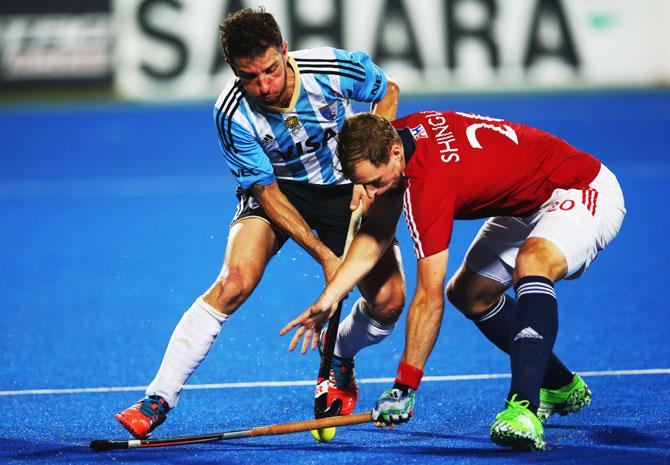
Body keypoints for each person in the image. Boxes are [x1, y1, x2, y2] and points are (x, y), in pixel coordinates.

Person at [114, 8, 406, 439]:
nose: (265, 86)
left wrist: (370, 172)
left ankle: (340, 354)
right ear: (233, 69)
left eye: (271, 70)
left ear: (285, 51)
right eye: (250, 77)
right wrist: (327, 257)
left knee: (389, 300)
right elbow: (268, 194)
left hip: (343, 189)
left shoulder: (331, 68)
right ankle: (158, 397)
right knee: (234, 281)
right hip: (280, 192)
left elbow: (388, 91)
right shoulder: (231, 114)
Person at [280, 110, 625, 450]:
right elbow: (376, 233)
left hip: (580, 190)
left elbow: (428, 297)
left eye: (374, 183)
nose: (367, 195)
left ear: (395, 153)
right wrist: (327, 300)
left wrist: (405, 386)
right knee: (471, 293)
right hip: (527, 203)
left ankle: (524, 409)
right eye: (361, 183)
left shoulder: (428, 185)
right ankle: (559, 384)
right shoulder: (394, 135)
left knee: (533, 262)